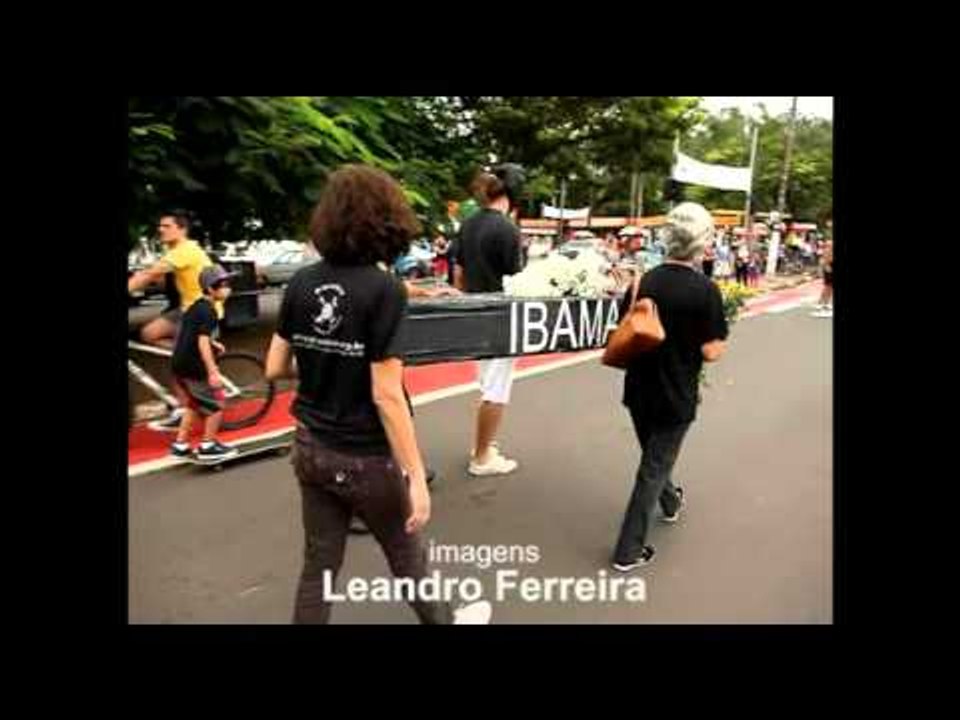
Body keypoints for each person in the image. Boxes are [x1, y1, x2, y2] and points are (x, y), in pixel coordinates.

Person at [264, 164, 491, 625]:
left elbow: (273, 368)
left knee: (318, 567)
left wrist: (325, 365)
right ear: (385, 219)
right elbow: (386, 395)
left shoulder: (302, 283)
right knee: (408, 561)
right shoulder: (384, 290)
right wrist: (413, 478)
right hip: (366, 455)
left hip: (310, 445)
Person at [611, 202, 729, 572]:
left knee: (655, 457)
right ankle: (628, 551)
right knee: (653, 468)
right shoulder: (705, 291)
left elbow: (624, 326)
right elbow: (712, 352)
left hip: (638, 390)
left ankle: (672, 502)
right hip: (676, 395)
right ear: (701, 243)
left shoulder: (643, 282)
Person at [454, 165, 525, 477]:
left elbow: (458, 273)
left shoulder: (467, 225)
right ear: (511, 195)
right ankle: (482, 456)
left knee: (486, 382)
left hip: (472, 309)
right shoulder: (507, 229)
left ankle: (483, 445)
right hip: (501, 315)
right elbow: (517, 279)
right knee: (496, 388)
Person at [169, 265, 239, 462]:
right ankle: (207, 446)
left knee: (194, 404)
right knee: (216, 403)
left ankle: (180, 445)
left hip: (179, 364)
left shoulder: (196, 306)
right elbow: (201, 342)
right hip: (194, 366)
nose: (228, 289)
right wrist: (213, 371)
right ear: (210, 289)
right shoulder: (209, 311)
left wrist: (213, 342)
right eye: (223, 285)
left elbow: (191, 333)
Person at [127, 211, 217, 347]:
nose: (160, 229)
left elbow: (148, 275)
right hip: (186, 308)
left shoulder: (184, 251)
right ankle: (193, 352)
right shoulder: (180, 250)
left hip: (199, 313)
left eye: (167, 226)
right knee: (149, 334)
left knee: (184, 360)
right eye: (160, 226)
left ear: (182, 230)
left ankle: (192, 355)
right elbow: (152, 274)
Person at [812, 239, 833, 318]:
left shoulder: (829, 251)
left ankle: (826, 303)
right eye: (829, 244)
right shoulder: (827, 251)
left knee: (830, 287)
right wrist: (825, 268)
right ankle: (821, 303)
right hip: (829, 270)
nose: (831, 245)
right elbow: (823, 262)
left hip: (830, 269)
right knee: (827, 287)